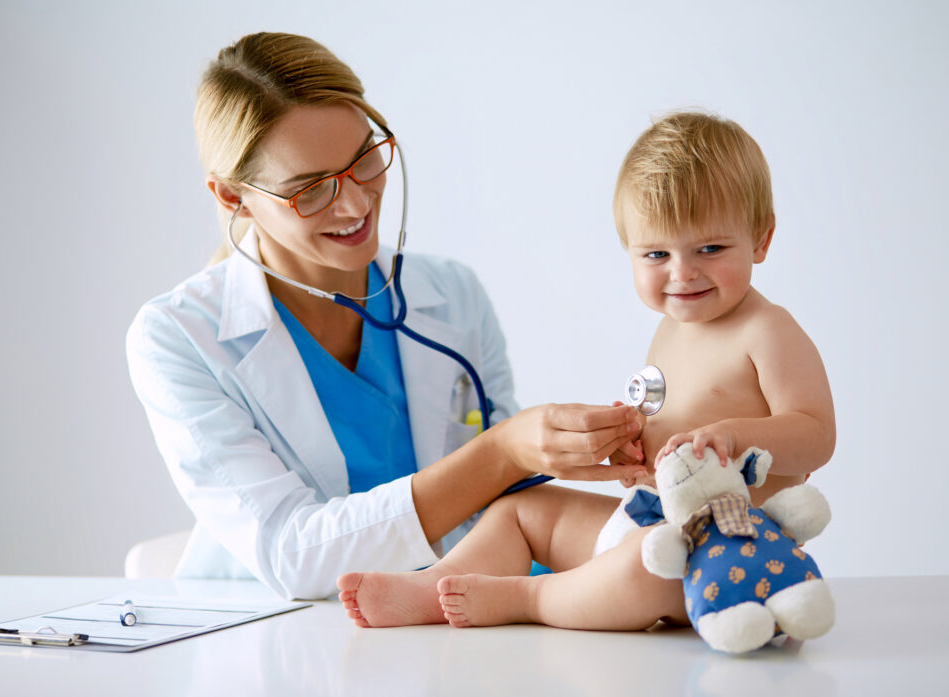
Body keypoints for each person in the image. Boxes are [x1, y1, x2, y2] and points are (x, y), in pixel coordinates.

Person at [125, 32, 650, 601]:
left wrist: (578, 450)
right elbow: (292, 554)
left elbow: (504, 504)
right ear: (233, 199)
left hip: (446, 617)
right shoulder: (178, 338)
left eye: (362, 161)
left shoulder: (452, 294)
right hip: (279, 636)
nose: (353, 205)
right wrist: (503, 451)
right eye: (309, 190)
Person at [337, 111, 836, 630]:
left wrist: (733, 436)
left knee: (647, 563)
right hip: (650, 523)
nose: (682, 273)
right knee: (520, 509)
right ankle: (431, 588)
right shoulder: (670, 329)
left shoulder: (767, 330)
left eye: (710, 249)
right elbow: (672, 447)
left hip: (721, 555)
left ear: (761, 238)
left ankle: (527, 599)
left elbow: (817, 435)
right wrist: (633, 448)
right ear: (630, 252)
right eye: (657, 253)